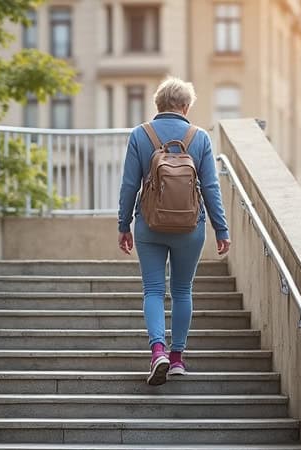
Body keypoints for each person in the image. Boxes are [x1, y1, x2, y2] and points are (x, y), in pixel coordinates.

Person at [117, 77, 231, 386]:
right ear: (185, 106)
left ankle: (158, 352)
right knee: (182, 290)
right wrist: (221, 229)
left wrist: (123, 224)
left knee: (153, 290)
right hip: (190, 227)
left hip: (149, 225)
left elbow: (129, 185)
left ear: (158, 105)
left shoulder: (140, 135)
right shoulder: (200, 138)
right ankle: (178, 358)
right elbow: (210, 188)